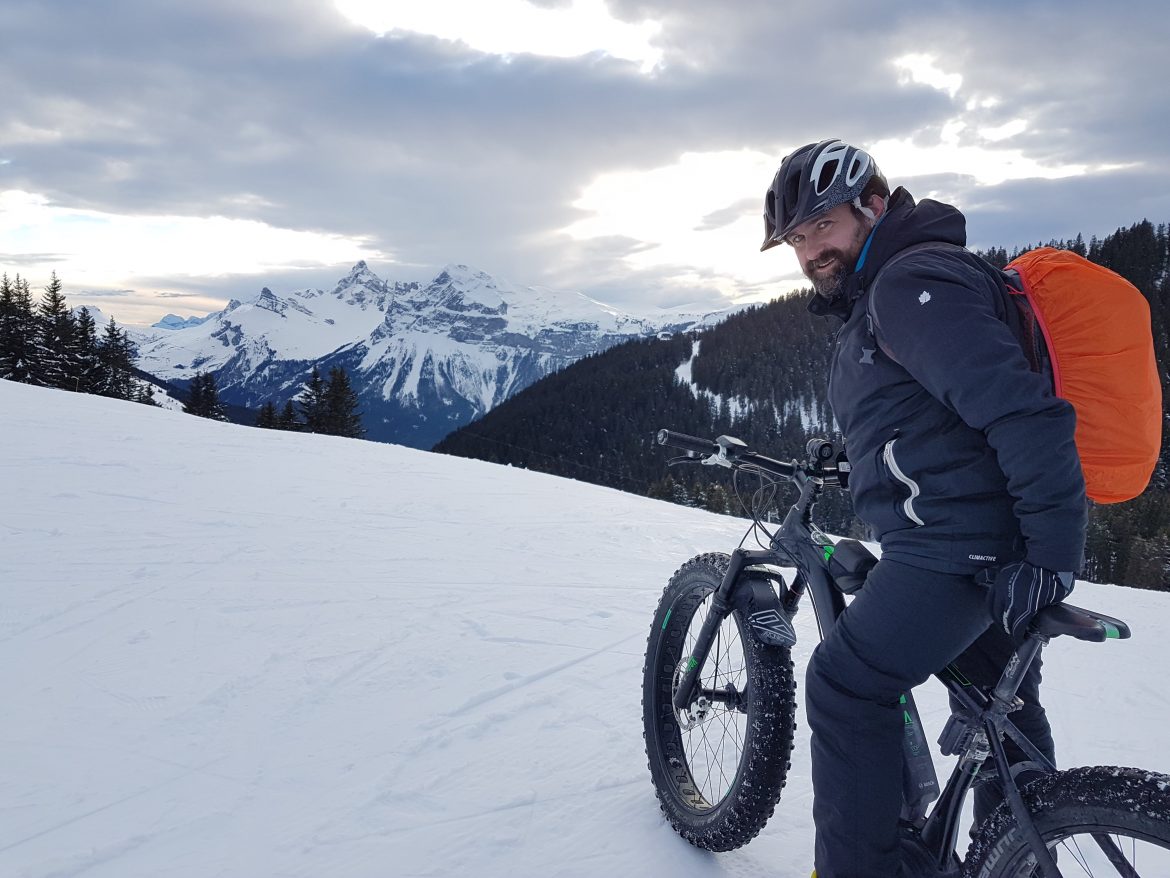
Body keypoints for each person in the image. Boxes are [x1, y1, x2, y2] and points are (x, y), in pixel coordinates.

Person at [760, 140, 1086, 877]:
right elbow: (939, 417)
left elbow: (1024, 415)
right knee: (1000, 713)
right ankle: (1018, 860)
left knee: (844, 685)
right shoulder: (909, 279)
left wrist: (1053, 556)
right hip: (984, 548)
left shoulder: (908, 286)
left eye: (822, 225)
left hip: (954, 551)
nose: (811, 249)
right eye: (798, 238)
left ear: (872, 205)